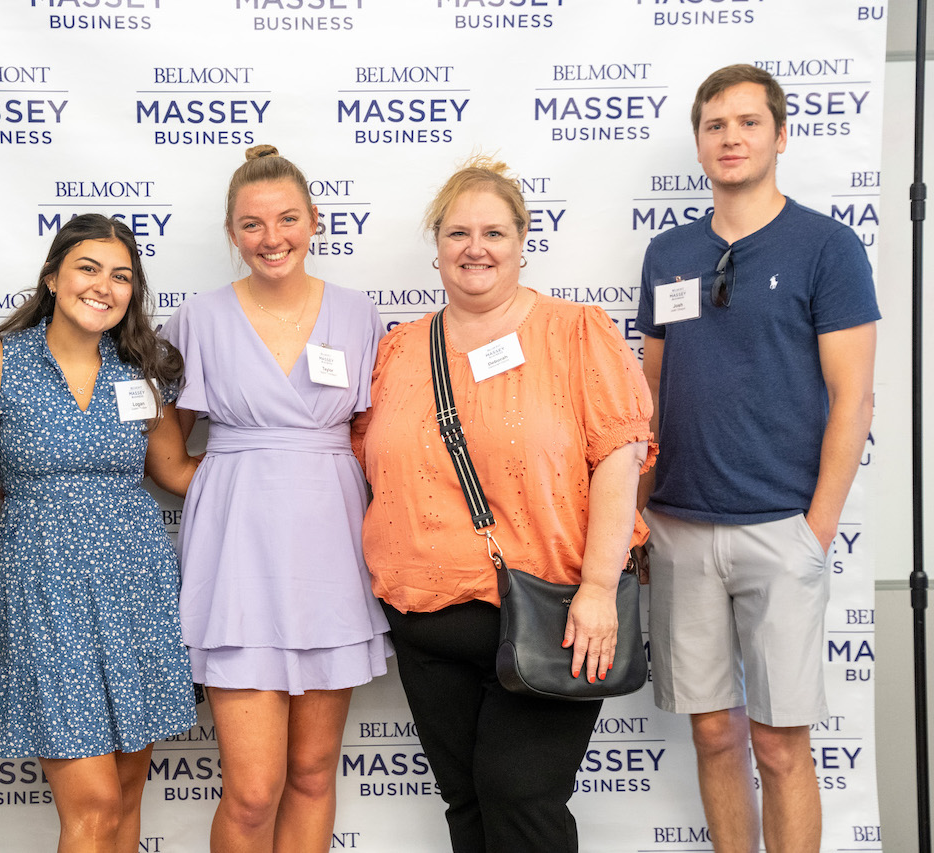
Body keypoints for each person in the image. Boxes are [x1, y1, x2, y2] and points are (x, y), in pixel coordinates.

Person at [352, 155, 653, 853]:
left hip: (552, 615)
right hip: (424, 622)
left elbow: (619, 457)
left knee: (521, 800)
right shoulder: (400, 349)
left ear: (522, 242)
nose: (475, 248)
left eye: (493, 232)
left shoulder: (577, 332)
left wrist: (601, 587)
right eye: (458, 233)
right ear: (436, 248)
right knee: (468, 805)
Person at [635, 64, 878, 853]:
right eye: (715, 125)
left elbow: (854, 400)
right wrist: (640, 512)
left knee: (779, 746)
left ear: (779, 135)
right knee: (713, 735)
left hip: (782, 529)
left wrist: (816, 528)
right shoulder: (669, 252)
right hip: (680, 527)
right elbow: (652, 389)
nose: (730, 137)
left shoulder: (827, 247)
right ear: (699, 142)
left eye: (747, 122)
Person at [159, 144, 389, 853]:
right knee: (253, 789)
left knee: (315, 772)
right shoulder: (195, 318)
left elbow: (372, 438)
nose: (272, 238)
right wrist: (235, 479)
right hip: (239, 562)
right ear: (232, 233)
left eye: (287, 219)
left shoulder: (359, 314)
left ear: (315, 220)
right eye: (252, 225)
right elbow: (168, 450)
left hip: (331, 552)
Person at [0, 214, 198, 853]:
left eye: (121, 276)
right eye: (88, 268)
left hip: (136, 586)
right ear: (53, 277)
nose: (104, 286)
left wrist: (287, 461)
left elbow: (173, 471)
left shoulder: (140, 370)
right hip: (43, 591)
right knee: (92, 804)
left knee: (127, 789)